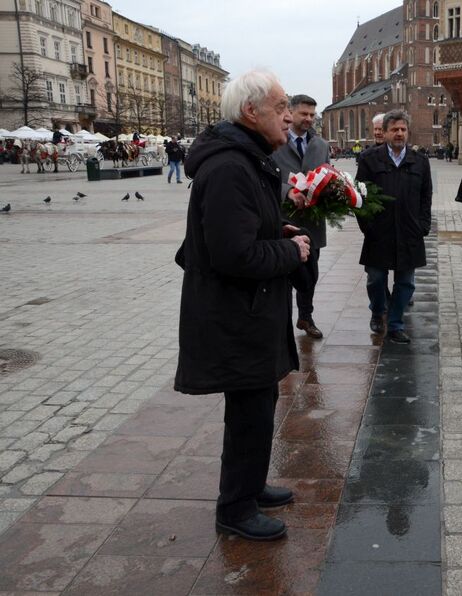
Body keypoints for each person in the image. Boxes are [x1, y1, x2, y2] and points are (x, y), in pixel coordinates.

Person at [174, 69, 311, 542]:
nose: (289, 117)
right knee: (249, 412)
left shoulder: (248, 158)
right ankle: (234, 507)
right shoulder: (231, 166)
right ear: (251, 113)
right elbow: (234, 254)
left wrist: (279, 231)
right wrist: (289, 252)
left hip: (251, 312)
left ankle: (249, 487)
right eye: (280, 108)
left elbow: (245, 230)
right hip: (238, 315)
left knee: (258, 405)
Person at [356, 109, 432, 344]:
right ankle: (379, 312)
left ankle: (396, 324)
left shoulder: (420, 161)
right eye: (394, 130)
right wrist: (368, 226)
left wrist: (423, 224)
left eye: (403, 130)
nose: (399, 134)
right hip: (379, 231)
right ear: (385, 133)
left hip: (410, 232)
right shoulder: (370, 159)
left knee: (405, 282)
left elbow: (425, 194)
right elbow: (360, 195)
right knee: (375, 278)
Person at [272, 94, 331, 339]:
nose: (308, 119)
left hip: (312, 221)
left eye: (312, 115)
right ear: (291, 112)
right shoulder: (276, 141)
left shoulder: (321, 144)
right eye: (303, 114)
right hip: (283, 219)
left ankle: (305, 317)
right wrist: (288, 192)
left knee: (310, 275)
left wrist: (333, 193)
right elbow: (266, 177)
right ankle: (281, 322)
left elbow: (327, 175)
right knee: (282, 274)